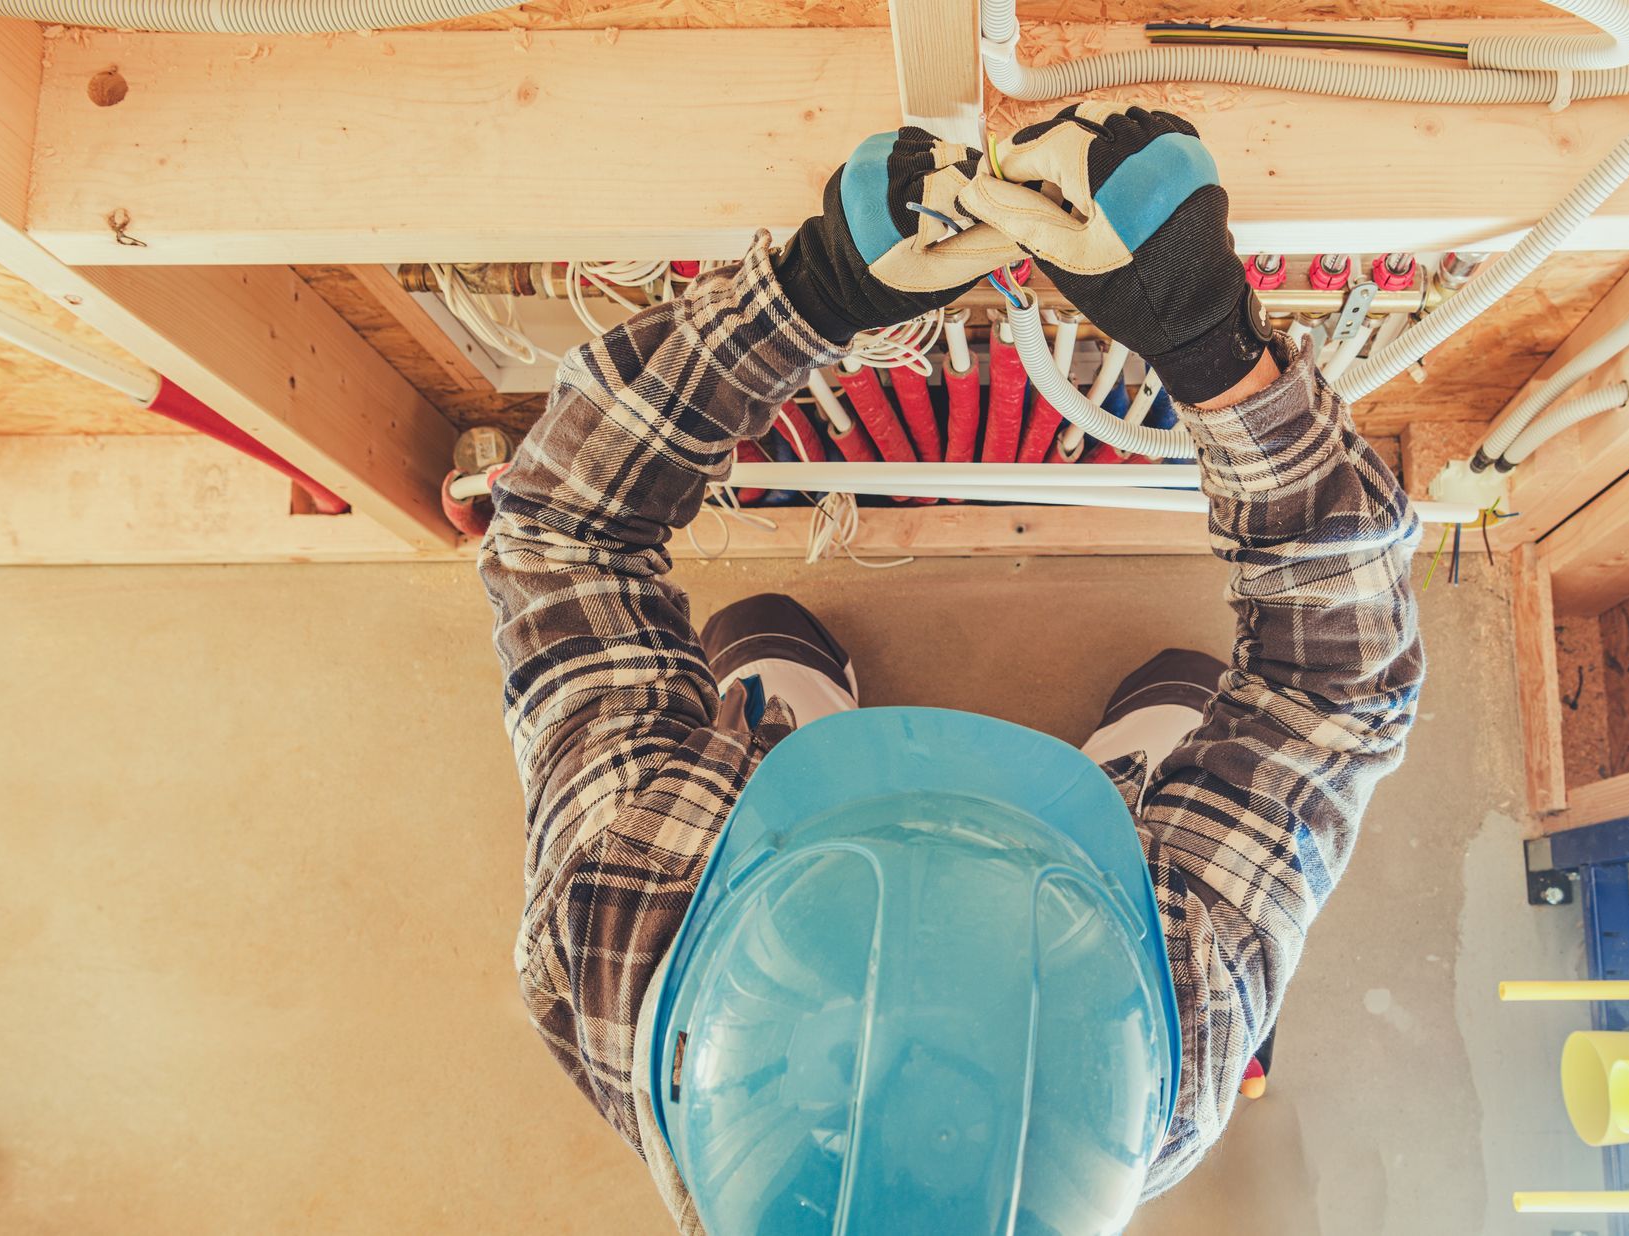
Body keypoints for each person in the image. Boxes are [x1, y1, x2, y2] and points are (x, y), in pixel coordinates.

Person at [480, 104, 1423, 1234]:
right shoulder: (1170, 1042)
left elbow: (563, 538)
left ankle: (786, 723)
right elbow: (1328, 692)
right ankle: (1133, 773)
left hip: (768, 810)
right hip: (1114, 868)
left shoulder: (619, 930)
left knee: (759, 642)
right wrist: (1217, 353)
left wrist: (806, 297)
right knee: (1194, 702)